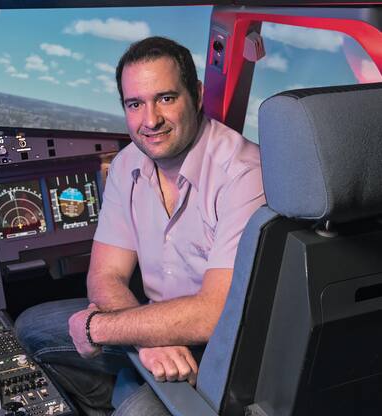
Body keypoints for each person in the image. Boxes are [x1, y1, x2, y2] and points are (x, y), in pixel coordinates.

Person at [15, 36, 266, 415]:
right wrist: (148, 341)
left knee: (133, 406)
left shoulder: (244, 174)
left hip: (219, 347)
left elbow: (213, 313)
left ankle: (127, 399)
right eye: (135, 104)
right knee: (29, 328)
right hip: (152, 323)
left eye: (166, 98)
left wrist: (97, 329)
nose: (150, 120)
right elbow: (106, 275)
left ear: (197, 95)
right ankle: (110, 399)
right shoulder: (126, 164)